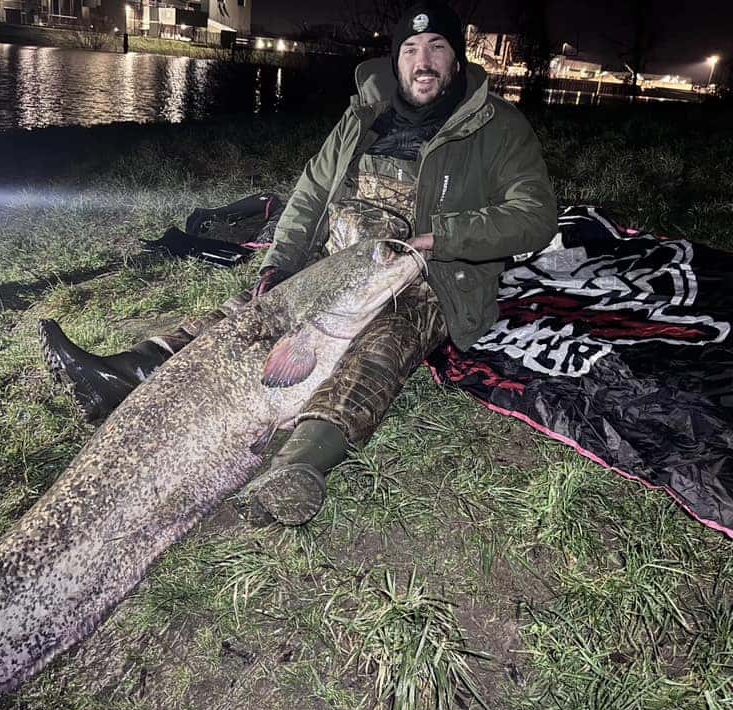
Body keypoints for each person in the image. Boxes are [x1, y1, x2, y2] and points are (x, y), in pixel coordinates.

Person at [39, 1, 557, 526]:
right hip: (344, 261)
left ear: (457, 59)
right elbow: (309, 195)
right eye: (411, 50)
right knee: (253, 314)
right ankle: (126, 373)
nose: (423, 62)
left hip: (429, 271)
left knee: (385, 340)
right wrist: (280, 266)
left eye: (437, 48)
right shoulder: (362, 118)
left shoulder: (498, 127)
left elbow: (536, 217)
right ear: (396, 60)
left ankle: (300, 462)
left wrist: (439, 237)